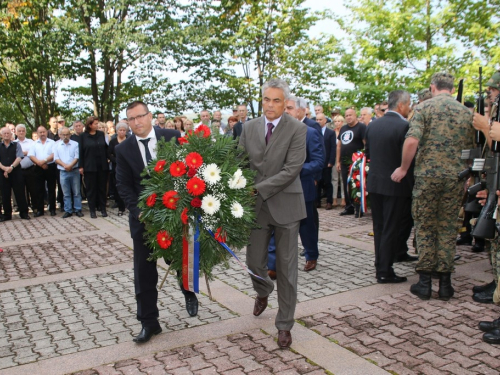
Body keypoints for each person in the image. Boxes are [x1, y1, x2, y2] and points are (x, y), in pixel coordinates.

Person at [115, 100, 198, 344]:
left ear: (150, 116)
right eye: (131, 119)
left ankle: (188, 291)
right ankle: (149, 322)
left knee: (179, 258)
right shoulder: (123, 150)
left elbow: (188, 170)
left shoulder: (172, 136)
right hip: (144, 221)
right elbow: (124, 186)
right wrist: (140, 212)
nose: (137, 122)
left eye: (140, 116)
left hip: (176, 215)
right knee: (144, 272)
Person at [392, 72, 474, 301]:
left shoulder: (424, 108)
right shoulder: (465, 112)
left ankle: (425, 283)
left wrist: (403, 168)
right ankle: (446, 285)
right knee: (448, 228)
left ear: (433, 86)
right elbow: (471, 148)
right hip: (455, 178)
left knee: (426, 227)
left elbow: (412, 140)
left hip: (428, 177)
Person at [238, 79, 307, 349]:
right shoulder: (248, 127)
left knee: (287, 269)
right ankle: (264, 290)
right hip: (256, 209)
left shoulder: (297, 129)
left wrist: (257, 189)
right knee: (254, 263)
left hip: (287, 206)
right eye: (267, 99)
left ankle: (284, 324)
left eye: (276, 100)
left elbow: (292, 170)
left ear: (285, 103)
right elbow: (240, 162)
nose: (270, 105)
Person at [365, 90, 413, 284]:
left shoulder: (373, 125)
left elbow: (368, 153)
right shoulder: (404, 126)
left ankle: (380, 265)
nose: (409, 108)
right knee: (391, 228)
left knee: (379, 227)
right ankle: (385, 270)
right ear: (401, 105)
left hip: (375, 183)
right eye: (408, 104)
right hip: (395, 184)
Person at [336, 108, 366, 216]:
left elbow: (365, 143)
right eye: (346, 115)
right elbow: (339, 146)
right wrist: (338, 161)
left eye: (350, 115)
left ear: (355, 115)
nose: (348, 117)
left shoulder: (361, 127)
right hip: (344, 161)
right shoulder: (343, 128)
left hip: (356, 162)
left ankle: (358, 208)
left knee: (356, 185)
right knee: (346, 184)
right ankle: (349, 207)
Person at [79, 116, 109, 218]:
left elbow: (105, 148)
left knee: (102, 189)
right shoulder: (83, 136)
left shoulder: (100, 134)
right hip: (89, 166)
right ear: (90, 125)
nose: (97, 125)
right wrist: (81, 166)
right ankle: (92, 210)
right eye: (95, 124)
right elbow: (81, 152)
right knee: (91, 189)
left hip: (102, 166)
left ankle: (103, 209)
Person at [0, 127, 30, 221]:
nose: (6, 135)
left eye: (8, 133)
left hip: (16, 172)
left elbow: (19, 157)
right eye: (4, 133)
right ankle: (7, 214)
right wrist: (5, 168)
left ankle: (24, 213)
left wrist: (11, 167)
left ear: (11, 134)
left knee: (20, 193)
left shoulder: (16, 145)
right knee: (5, 194)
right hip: (3, 173)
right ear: (1, 135)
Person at [54, 127, 83, 218]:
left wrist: (70, 165)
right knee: (66, 193)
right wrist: (65, 166)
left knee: (76, 192)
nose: (65, 136)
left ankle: (78, 209)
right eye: (63, 134)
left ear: (70, 135)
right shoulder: (56, 145)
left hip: (74, 171)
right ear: (60, 135)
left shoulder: (75, 144)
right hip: (63, 171)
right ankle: (68, 210)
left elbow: (77, 157)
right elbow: (56, 158)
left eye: (67, 134)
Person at [28, 126, 57, 217]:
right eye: (40, 132)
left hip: (50, 166)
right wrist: (40, 163)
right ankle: (40, 210)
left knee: (51, 188)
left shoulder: (52, 142)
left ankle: (52, 209)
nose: (42, 134)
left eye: (44, 132)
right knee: (39, 189)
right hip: (38, 168)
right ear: (37, 133)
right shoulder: (34, 144)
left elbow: (54, 154)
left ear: (46, 132)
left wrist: (44, 161)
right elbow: (31, 155)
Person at [107, 122, 128, 215]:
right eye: (120, 130)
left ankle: (129, 205)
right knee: (118, 187)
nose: (122, 132)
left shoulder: (129, 140)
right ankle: (121, 207)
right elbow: (108, 154)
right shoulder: (113, 141)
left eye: (124, 130)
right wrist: (116, 160)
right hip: (116, 167)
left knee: (128, 187)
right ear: (117, 131)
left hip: (128, 167)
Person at [316, 113, 336, 210]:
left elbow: (333, 148)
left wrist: (331, 161)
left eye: (320, 119)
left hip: (327, 162)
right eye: (317, 120)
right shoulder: (314, 131)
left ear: (325, 120)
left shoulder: (330, 133)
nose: (318, 121)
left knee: (327, 182)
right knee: (318, 183)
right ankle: (317, 201)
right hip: (317, 162)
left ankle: (329, 202)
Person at [331, 115, 345, 207]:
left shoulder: (345, 132)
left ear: (342, 122)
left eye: (339, 121)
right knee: (334, 178)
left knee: (342, 179)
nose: (337, 123)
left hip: (343, 157)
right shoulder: (332, 133)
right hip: (334, 157)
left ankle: (344, 198)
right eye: (336, 121)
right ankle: (334, 198)